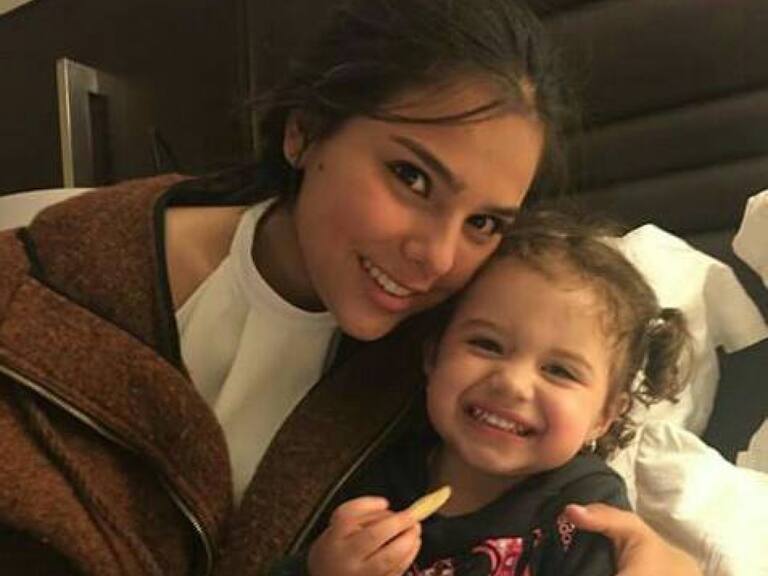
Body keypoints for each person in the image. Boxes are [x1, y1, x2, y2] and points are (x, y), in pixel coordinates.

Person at [0, 0, 701, 575]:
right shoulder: (44, 290)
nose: (435, 258)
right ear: (304, 133)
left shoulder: (444, 375)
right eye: (411, 177)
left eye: (484, 222)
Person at [283, 209, 692, 576]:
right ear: (433, 356)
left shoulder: (584, 508)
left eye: (559, 371)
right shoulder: (378, 470)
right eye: (486, 345)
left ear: (604, 415)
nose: (512, 383)